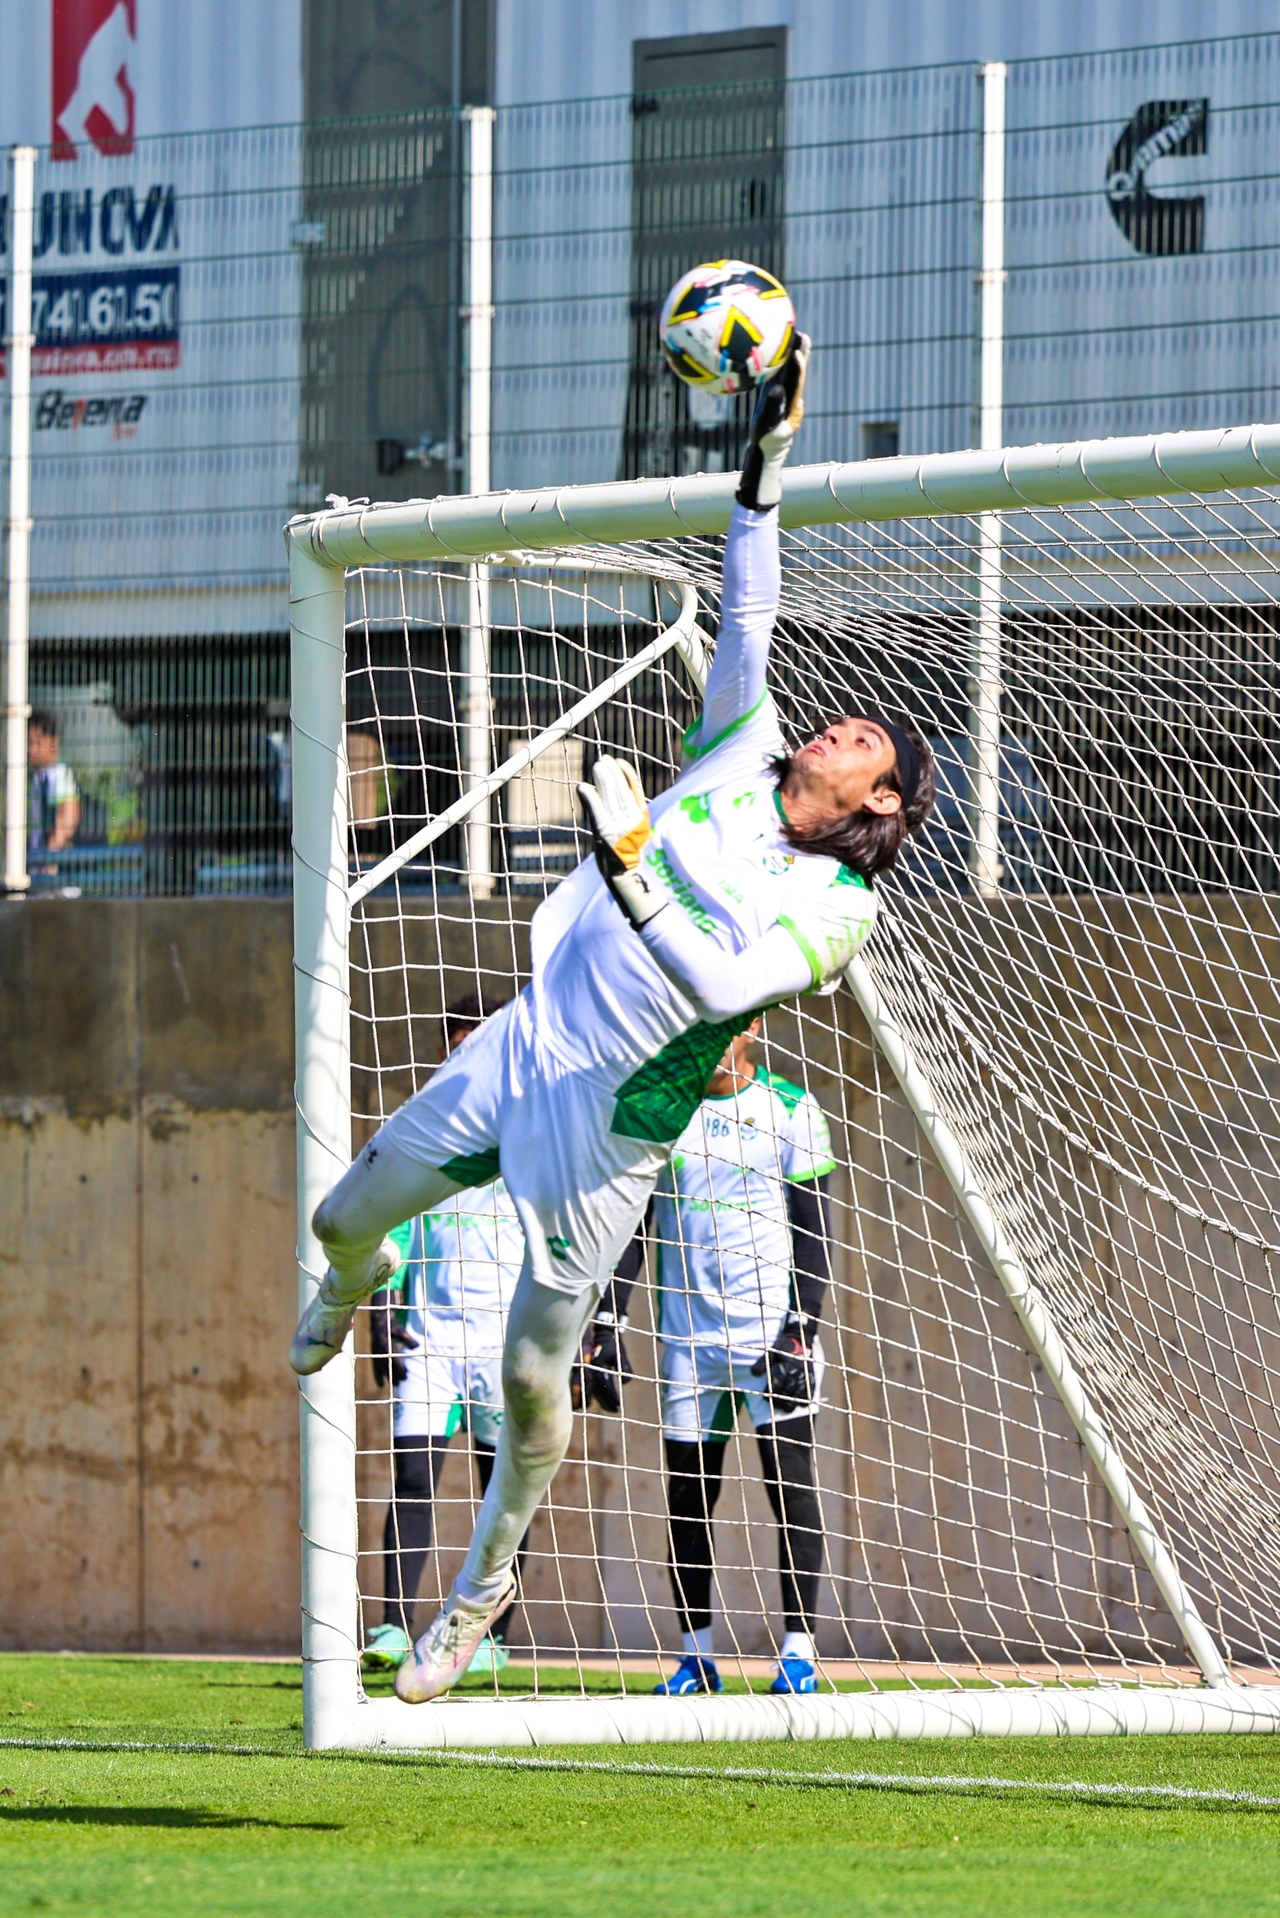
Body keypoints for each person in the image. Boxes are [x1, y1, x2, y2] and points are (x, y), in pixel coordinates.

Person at [291, 332, 937, 1706]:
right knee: (342, 1220)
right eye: (840, 727)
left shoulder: (837, 908)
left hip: (614, 1129)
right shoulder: (739, 749)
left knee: (533, 1386)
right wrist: (763, 456)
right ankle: (347, 1291)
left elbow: (715, 991)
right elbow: (751, 594)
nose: (832, 735)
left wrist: (637, 869)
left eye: (861, 746)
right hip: (522, 1045)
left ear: (877, 808)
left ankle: (481, 1590)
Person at [616, 1020, 835, 1699]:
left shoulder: (792, 1109)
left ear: (753, 1027)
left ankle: (798, 1652)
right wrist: (607, 1316)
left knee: (789, 1486)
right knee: (689, 1499)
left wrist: (801, 1327)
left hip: (776, 1340)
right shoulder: (661, 1113)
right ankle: (694, 1657)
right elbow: (634, 1227)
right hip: (688, 1344)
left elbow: (815, 1228)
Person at [362, 994, 531, 1677]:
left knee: (505, 1495)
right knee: (411, 1479)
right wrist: (381, 1313)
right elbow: (391, 1229)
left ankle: (492, 1636)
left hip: (507, 1345)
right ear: (446, 1050)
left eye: (480, 1042)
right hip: (430, 1342)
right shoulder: (421, 1129)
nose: (469, 1053)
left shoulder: (532, 1131)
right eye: (459, 1042)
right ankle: (394, 1627)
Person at [27, 709, 79, 869]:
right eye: (29, 743)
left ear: (53, 742)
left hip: (53, 876)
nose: (31, 750)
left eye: (37, 743)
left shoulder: (59, 775)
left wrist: (47, 861)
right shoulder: (38, 777)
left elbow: (67, 818)